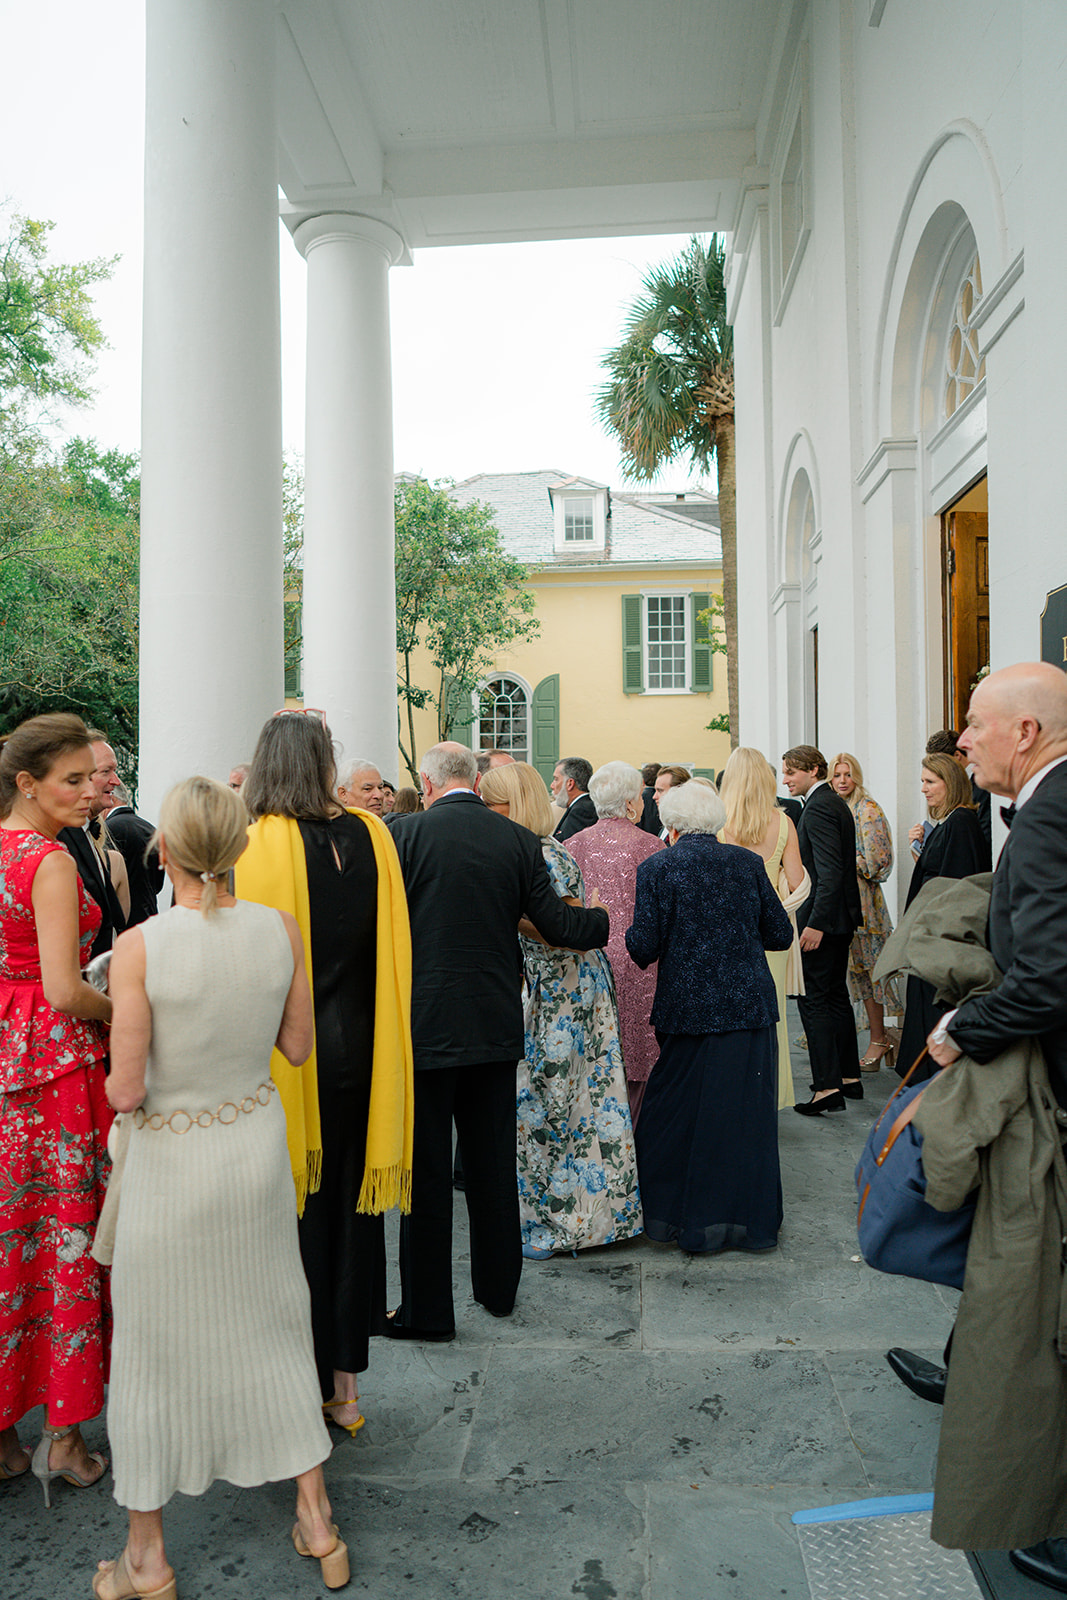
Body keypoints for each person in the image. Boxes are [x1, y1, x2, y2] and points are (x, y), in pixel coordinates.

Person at [96, 776, 347, 1600]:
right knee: (275, 1323)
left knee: (152, 1351)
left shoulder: (140, 948)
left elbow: (126, 1092)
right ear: (237, 850)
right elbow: (299, 1047)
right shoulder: (280, 929)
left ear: (161, 851)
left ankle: (148, 1561)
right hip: (252, 1152)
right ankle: (318, 1523)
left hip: (173, 1164)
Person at [910, 663, 1067, 1577]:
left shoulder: (1046, 815)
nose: (959, 740)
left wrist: (958, 1031)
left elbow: (1048, 977)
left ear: (1024, 734)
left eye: (973, 724)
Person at [386, 742, 609, 1339]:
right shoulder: (515, 841)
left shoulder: (403, 837)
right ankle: (498, 1291)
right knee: (490, 1166)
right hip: (493, 1024)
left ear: (428, 784)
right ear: (475, 783)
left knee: (427, 1172)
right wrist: (602, 918)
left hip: (425, 1025)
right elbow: (560, 926)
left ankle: (427, 1311)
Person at [235, 712, 414, 1434]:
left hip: (292, 1060)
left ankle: (291, 1388)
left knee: (293, 1224)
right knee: (353, 1218)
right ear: (325, 764)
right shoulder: (371, 834)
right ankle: (344, 1389)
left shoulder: (255, 842)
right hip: (367, 1054)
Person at [0, 715, 113, 1501]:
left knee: (12, 1235)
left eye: (89, 777)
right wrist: (132, 1008)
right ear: (27, 782)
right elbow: (67, 988)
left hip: (7, 1049)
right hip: (53, 1064)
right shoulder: (46, 862)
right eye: (70, 780)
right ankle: (64, 1436)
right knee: (65, 1240)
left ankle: (7, 1437)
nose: (86, 792)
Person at [480, 762, 641, 1257]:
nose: (485, 812)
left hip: (566, 991)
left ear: (515, 804)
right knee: (558, 1104)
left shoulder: (546, 854)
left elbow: (566, 929)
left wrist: (509, 915)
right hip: (549, 989)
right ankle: (572, 1219)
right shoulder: (528, 849)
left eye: (493, 803)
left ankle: (569, 1224)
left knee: (563, 1106)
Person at [625, 780, 793, 1253]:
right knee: (743, 1118)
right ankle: (745, 1222)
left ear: (672, 824)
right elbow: (779, 933)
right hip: (747, 1008)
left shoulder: (658, 867)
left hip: (686, 1009)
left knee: (674, 1114)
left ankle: (675, 1218)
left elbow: (643, 947)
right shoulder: (748, 863)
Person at [565, 761, 666, 1127]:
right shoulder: (652, 846)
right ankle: (636, 1139)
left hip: (588, 958)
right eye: (640, 795)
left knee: (595, 1050)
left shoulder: (571, 845)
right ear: (628, 802)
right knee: (638, 1052)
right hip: (640, 962)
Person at [717, 747, 807, 1109]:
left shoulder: (719, 822)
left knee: (727, 1016)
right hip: (772, 939)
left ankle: (732, 1095)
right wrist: (776, 912)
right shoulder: (783, 823)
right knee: (775, 1020)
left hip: (727, 935)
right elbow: (800, 883)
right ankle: (769, 1097)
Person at [896, 751, 989, 1081]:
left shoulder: (960, 823)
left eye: (930, 781)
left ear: (950, 784)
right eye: (922, 781)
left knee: (932, 1022)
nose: (923, 789)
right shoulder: (950, 823)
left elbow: (956, 890)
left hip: (941, 946)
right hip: (934, 942)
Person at [781, 744, 863, 1114]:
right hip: (839, 919)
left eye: (792, 773)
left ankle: (827, 1087)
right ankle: (848, 1077)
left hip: (824, 922)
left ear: (815, 770)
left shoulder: (819, 808)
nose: (786, 780)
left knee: (814, 1000)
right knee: (834, 997)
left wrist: (815, 924)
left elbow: (829, 874)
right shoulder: (832, 803)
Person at [828, 752, 898, 1071]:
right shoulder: (837, 808)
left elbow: (879, 863)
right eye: (836, 775)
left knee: (873, 974)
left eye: (848, 774)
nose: (842, 780)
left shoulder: (866, 810)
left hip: (866, 906)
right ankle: (877, 1037)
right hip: (844, 902)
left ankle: (881, 1038)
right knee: (857, 976)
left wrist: (841, 861)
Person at [58, 730, 129, 957]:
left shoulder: (87, 834)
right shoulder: (58, 840)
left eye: (115, 771)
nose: (116, 781)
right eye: (106, 771)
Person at [104, 782, 165, 926]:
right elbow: (158, 883)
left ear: (111, 797)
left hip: (125, 921)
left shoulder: (110, 829)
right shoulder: (149, 828)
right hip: (150, 916)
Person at [551, 757, 597, 842]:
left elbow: (570, 849)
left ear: (570, 783)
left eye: (556, 779)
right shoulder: (579, 807)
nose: (552, 786)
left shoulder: (582, 811)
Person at [653, 764, 692, 840]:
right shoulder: (667, 824)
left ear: (678, 791)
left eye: (660, 791)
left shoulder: (689, 828)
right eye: (655, 790)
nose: (654, 796)